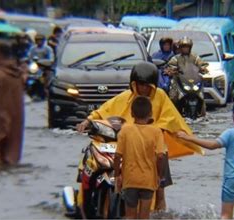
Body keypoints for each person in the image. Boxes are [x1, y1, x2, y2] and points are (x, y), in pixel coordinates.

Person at [77, 62, 203, 211]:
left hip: (155, 147)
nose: (143, 88)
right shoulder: (126, 97)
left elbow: (171, 119)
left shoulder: (160, 97)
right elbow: (105, 110)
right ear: (134, 84)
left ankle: (160, 216)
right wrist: (87, 121)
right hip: (129, 144)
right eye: (140, 85)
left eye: (147, 85)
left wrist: (155, 130)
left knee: (160, 188)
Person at [113, 96, 165, 219]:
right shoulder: (156, 132)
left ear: (131, 113)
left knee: (130, 217)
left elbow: (117, 156)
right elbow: (161, 157)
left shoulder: (124, 131)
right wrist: (159, 176)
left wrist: (117, 176)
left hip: (130, 180)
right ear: (151, 113)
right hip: (148, 180)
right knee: (144, 217)